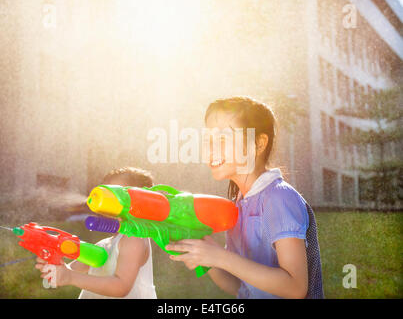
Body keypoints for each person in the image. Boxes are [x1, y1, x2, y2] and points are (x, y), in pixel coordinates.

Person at [166, 96, 324, 299]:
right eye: (208, 140)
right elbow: (240, 287)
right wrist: (206, 256)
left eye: (222, 139)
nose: (210, 149)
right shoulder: (239, 205)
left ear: (259, 144)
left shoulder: (279, 198)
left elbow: (295, 287)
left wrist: (221, 257)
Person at [36, 167, 157, 299]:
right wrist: (57, 269)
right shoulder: (105, 244)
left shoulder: (134, 238)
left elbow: (121, 286)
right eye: (109, 192)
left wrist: (69, 277)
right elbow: (72, 269)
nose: (111, 198)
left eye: (120, 193)